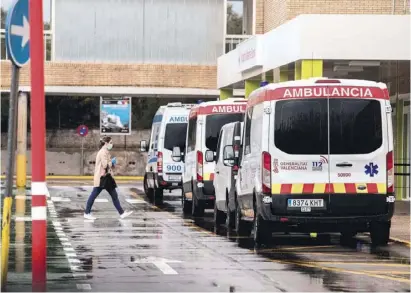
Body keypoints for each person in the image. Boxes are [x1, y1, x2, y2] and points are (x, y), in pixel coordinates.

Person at [84, 136, 133, 220]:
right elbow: (105, 165)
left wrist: (111, 163)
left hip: (107, 178)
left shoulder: (105, 152)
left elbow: (107, 166)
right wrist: (111, 162)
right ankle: (87, 213)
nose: (112, 144)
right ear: (106, 143)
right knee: (94, 195)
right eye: (110, 143)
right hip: (102, 178)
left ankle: (122, 213)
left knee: (114, 195)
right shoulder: (103, 152)